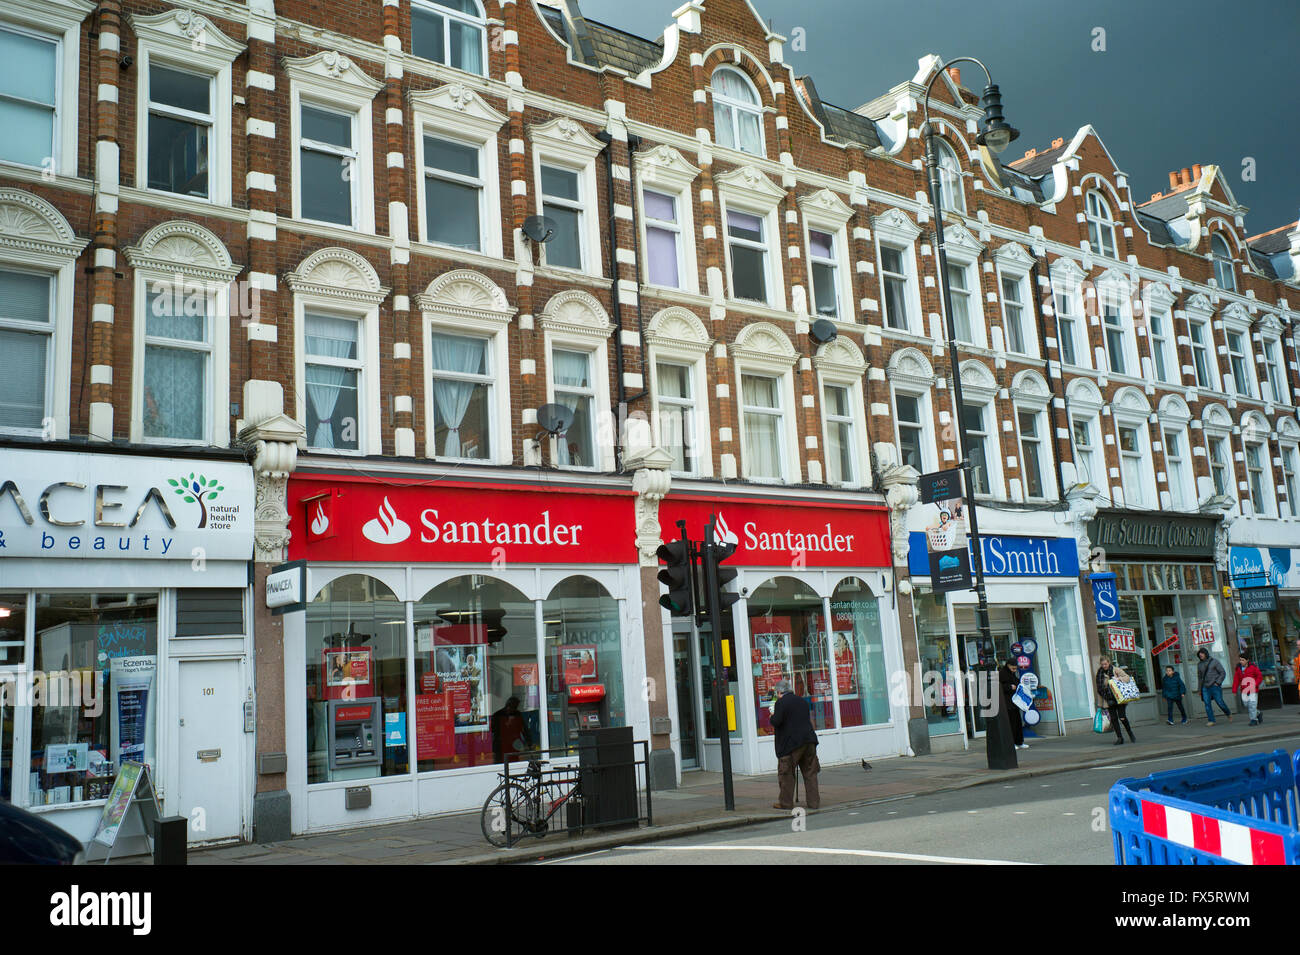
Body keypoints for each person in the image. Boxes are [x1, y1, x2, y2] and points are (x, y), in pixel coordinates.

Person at [769, 678, 820, 811]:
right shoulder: (802, 701)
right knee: (810, 772)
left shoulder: (781, 703)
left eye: (777, 693)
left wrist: (771, 717)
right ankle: (814, 803)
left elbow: (777, 721)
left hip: (791, 744)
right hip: (809, 740)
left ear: (779, 692)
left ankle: (785, 803)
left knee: (786, 774)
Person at [1096, 655, 1136, 745]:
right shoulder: (1099, 673)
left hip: (1119, 698)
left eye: (1105, 664)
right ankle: (1119, 738)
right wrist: (1101, 703)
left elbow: (1127, 678)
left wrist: (1119, 679)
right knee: (1114, 719)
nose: (1104, 666)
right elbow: (1099, 689)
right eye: (1102, 664)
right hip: (1108, 699)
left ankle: (1130, 733)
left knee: (1122, 717)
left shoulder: (1116, 670)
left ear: (1109, 663)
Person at [489, 696, 534, 763]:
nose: (515, 709)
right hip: (501, 746)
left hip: (513, 745)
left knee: (514, 762)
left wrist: (529, 742)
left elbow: (524, 729)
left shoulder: (517, 714)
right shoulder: (497, 715)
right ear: (509, 705)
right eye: (514, 707)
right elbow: (493, 730)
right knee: (500, 764)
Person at [1196, 648, 1233, 725]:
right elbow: (1199, 677)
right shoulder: (1199, 664)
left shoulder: (1214, 661)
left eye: (1202, 653)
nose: (1200, 655)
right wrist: (1199, 689)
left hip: (1215, 686)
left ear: (1206, 653)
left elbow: (1222, 673)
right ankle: (1211, 720)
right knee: (1207, 704)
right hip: (1205, 687)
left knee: (1220, 702)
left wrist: (1218, 683)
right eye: (1199, 654)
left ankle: (1228, 713)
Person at [999, 660, 1027, 749]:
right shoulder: (1002, 674)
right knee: (1011, 724)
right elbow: (999, 686)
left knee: (1018, 723)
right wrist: (1010, 687)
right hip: (1007, 703)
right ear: (1008, 665)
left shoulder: (1011, 673)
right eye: (1013, 668)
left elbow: (1015, 681)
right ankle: (1011, 743)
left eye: (1015, 668)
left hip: (1014, 702)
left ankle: (1019, 741)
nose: (1014, 670)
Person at [1232, 653, 1264, 726]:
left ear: (1247, 660)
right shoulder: (1239, 669)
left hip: (1253, 690)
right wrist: (1234, 690)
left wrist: (1255, 684)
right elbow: (1236, 680)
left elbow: (1259, 677)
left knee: (1252, 706)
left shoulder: (1253, 667)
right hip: (1244, 691)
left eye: (1243, 660)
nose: (1241, 661)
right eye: (1240, 660)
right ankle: (1258, 713)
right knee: (1246, 705)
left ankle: (1253, 720)